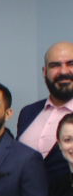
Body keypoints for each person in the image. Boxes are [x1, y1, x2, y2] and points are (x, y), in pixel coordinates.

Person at [17, 41, 73, 182]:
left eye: (70, 64)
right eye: (55, 65)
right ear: (44, 72)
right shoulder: (27, 113)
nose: (63, 71)